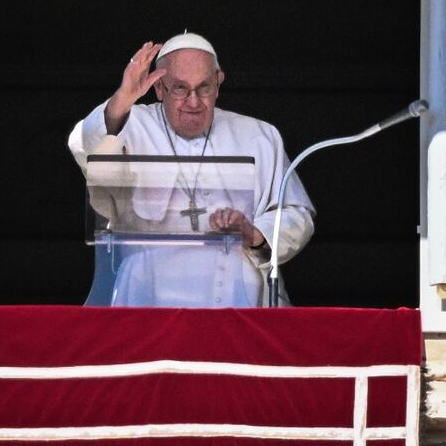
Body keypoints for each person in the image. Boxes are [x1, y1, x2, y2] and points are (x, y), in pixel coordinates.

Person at [68, 31, 314, 307]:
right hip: (147, 297)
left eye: (204, 87)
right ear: (159, 88)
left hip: (237, 299)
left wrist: (255, 234)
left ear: (218, 84)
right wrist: (122, 99)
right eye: (180, 89)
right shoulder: (129, 123)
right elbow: (87, 148)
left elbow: (297, 214)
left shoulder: (260, 135)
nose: (194, 102)